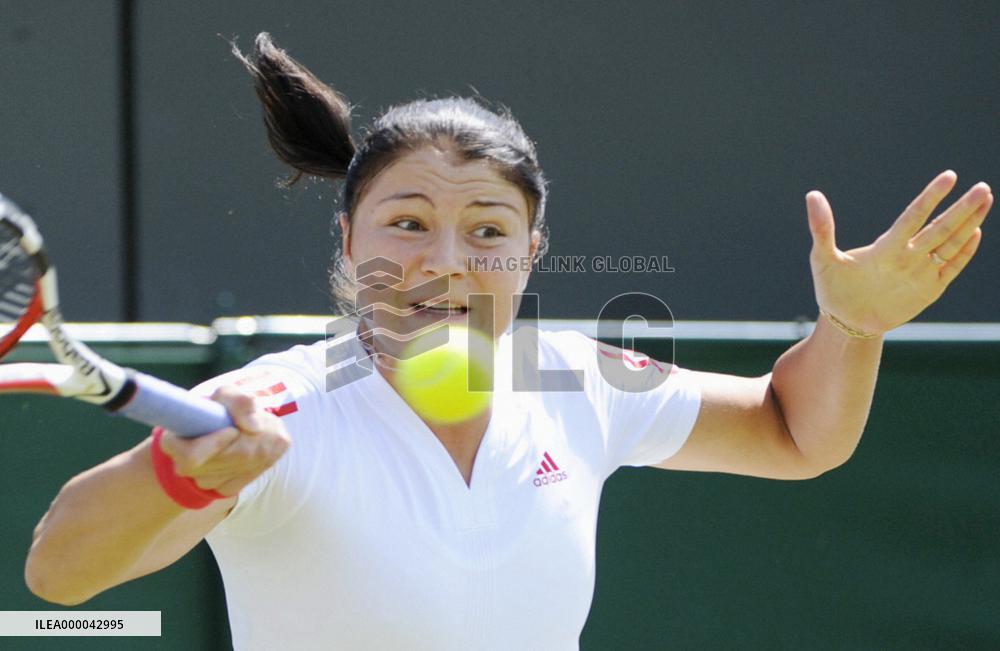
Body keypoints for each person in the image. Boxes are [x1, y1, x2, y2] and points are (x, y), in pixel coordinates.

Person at [24, 32, 992, 650]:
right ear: (348, 239)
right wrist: (185, 475)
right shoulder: (277, 409)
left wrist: (852, 324)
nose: (445, 260)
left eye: (486, 231)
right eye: (405, 223)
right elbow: (58, 575)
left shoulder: (580, 380)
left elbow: (795, 433)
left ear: (530, 255)